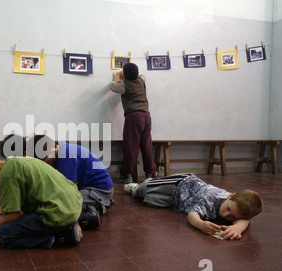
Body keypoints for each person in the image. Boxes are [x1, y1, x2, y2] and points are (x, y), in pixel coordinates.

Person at [0, 155, 83, 249]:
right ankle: (70, 224)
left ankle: (59, 237)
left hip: (58, 214)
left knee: (4, 233)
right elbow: (27, 206)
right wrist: (5, 219)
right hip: (74, 205)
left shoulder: (6, 174)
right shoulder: (21, 160)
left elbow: (13, 215)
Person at [124, 173, 263, 240]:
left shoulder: (236, 204)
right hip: (180, 184)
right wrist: (201, 225)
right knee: (145, 189)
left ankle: (139, 191)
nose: (227, 216)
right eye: (228, 209)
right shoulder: (211, 199)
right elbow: (192, 215)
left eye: (233, 217)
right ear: (230, 196)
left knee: (150, 200)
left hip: (177, 201)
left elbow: (245, 218)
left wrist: (238, 227)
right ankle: (135, 187)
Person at [28, 135, 114, 230]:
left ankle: (100, 206)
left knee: (63, 209)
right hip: (84, 187)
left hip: (98, 190)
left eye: (47, 162)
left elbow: (66, 194)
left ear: (54, 151)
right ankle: (93, 204)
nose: (46, 166)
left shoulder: (66, 155)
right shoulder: (57, 149)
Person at [110, 63, 158, 183]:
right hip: (146, 116)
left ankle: (127, 175)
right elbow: (143, 75)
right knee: (146, 146)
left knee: (131, 146)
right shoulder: (142, 81)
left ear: (125, 75)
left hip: (133, 117)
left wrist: (116, 79)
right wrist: (126, 75)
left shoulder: (124, 85)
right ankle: (150, 173)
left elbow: (112, 87)